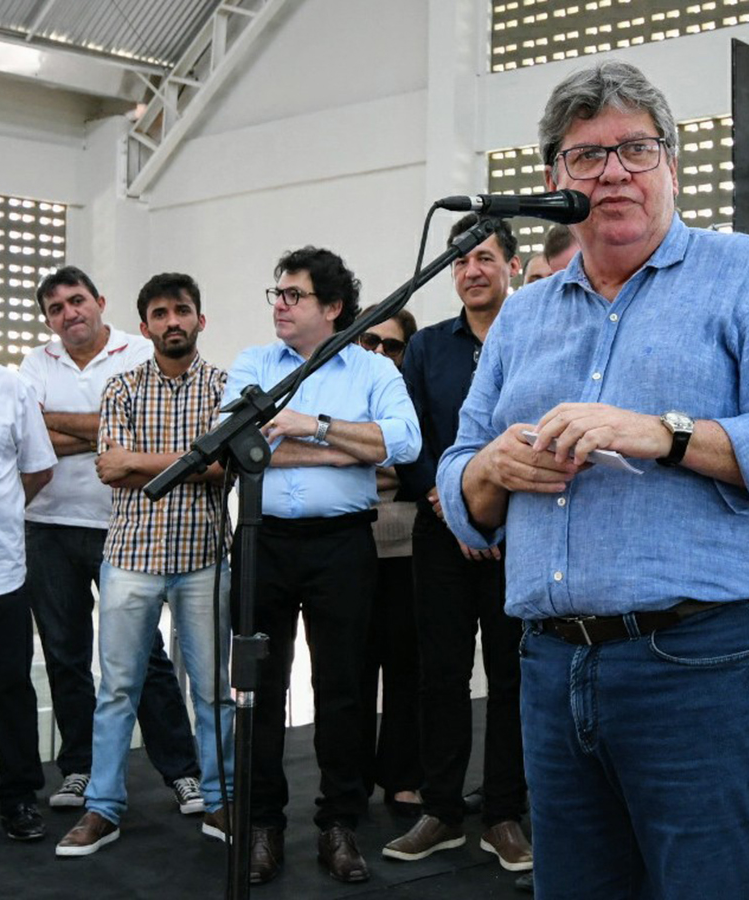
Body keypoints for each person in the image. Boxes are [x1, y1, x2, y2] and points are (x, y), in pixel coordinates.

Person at [437, 59, 749, 898]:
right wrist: (488, 468)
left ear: (672, 165)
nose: (615, 171)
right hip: (551, 668)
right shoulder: (523, 313)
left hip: (699, 661)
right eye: (588, 156)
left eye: (637, 149)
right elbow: (458, 474)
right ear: (556, 178)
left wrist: (665, 433)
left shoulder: (746, 275)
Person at [224, 246, 420, 885]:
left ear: (332, 308)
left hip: (342, 545)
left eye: (293, 295)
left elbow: (405, 443)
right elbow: (237, 450)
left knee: (342, 687)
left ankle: (338, 824)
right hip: (262, 539)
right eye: (275, 293)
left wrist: (311, 425)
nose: (278, 305)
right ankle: (262, 827)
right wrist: (344, 451)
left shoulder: (370, 370)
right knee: (259, 688)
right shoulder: (254, 364)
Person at [55, 273, 234, 857]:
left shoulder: (224, 387)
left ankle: (219, 799)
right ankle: (102, 809)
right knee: (117, 691)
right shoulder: (122, 387)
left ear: (200, 320)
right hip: (130, 558)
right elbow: (110, 468)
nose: (172, 321)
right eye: (160, 314)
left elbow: (226, 469)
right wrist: (191, 458)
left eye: (182, 310)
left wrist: (144, 461)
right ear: (146, 326)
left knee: (212, 692)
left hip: (204, 559)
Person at [19, 266, 204, 815]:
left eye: (76, 301)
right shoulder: (35, 362)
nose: (69, 314)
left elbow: (145, 433)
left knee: (143, 656)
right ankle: (79, 769)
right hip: (48, 527)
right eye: (56, 308)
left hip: (125, 528)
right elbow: (32, 435)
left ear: (99, 301)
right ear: (49, 320)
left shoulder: (134, 350)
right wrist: (107, 430)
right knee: (65, 654)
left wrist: (61, 426)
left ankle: (183, 772)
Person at [384, 215, 532, 872]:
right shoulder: (427, 347)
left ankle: (503, 813)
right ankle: (441, 809)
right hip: (441, 530)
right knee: (439, 673)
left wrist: (491, 518)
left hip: (517, 534)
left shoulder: (534, 335)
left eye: (484, 258)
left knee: (510, 675)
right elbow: (411, 437)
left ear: (512, 266)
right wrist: (451, 506)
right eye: (461, 261)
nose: (471, 270)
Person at [357, 309, 423, 819]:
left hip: (407, 544)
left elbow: (411, 466)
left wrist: (356, 459)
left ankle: (401, 776)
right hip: (346, 543)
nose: (378, 351)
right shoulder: (342, 392)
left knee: (405, 663)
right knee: (349, 664)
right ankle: (352, 775)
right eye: (369, 341)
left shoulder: (414, 399)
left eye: (392, 345)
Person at [0, 361, 55, 843]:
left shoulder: (9, 386)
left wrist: (5, 510)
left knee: (9, 688)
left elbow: (37, 469)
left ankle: (18, 797)